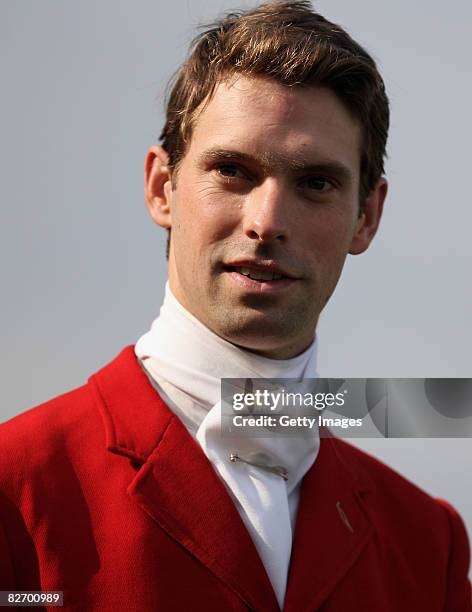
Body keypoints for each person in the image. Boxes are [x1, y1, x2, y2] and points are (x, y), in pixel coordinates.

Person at [0, 1, 470, 610]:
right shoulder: (16, 489)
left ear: (368, 216)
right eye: (232, 170)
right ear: (161, 187)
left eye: (316, 183)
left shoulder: (428, 545)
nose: (267, 221)